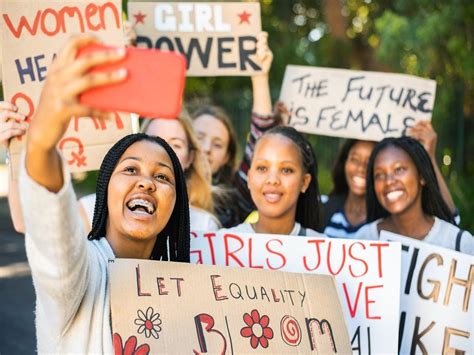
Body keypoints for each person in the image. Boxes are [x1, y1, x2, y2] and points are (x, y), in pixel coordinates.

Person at [18, 35, 190, 352]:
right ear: (105, 189)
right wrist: (42, 140)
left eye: (163, 176)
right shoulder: (78, 273)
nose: (147, 183)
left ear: (176, 202)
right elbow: (53, 227)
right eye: (130, 169)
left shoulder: (186, 290)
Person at [192, 32, 278, 228]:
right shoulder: (154, 185)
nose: (206, 148)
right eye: (199, 138)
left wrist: (259, 75)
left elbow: (261, 139)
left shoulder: (232, 200)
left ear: (225, 157)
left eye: (217, 144)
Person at [79, 112, 220, 232]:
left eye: (176, 145)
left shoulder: (204, 226)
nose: (163, 151)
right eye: (153, 140)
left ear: (190, 158)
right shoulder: (88, 210)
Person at [355, 136, 473, 254]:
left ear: (421, 176)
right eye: (379, 175)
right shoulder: (363, 241)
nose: (389, 181)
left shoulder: (460, 244)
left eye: (399, 169)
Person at [224, 126, 323, 236]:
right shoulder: (220, 244)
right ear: (250, 178)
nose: (272, 180)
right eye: (262, 168)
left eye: (286, 170)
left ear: (304, 182)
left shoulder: (328, 250)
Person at [322, 140, 376, 238]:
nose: (361, 168)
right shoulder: (322, 209)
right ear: (344, 162)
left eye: (370, 162)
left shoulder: (386, 224)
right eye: (355, 160)